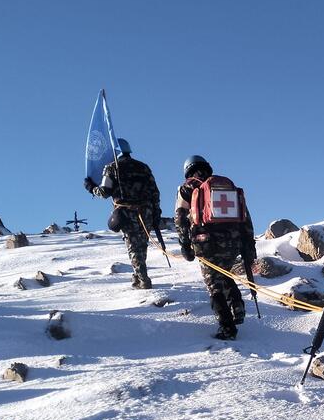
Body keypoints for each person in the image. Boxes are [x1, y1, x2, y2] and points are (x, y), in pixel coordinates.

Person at [174, 155, 256, 340]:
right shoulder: (228, 187)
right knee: (225, 273)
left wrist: (185, 245)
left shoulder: (187, 188)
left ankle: (227, 328)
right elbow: (245, 218)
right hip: (233, 242)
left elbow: (180, 218)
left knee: (214, 285)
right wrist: (248, 246)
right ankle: (238, 309)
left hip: (206, 243)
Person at [84, 138, 161, 290]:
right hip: (146, 211)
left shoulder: (112, 168)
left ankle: (143, 280)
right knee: (142, 246)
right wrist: (156, 213)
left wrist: (91, 187)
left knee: (133, 247)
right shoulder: (143, 167)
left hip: (127, 212)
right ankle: (138, 275)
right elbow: (155, 192)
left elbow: (105, 192)